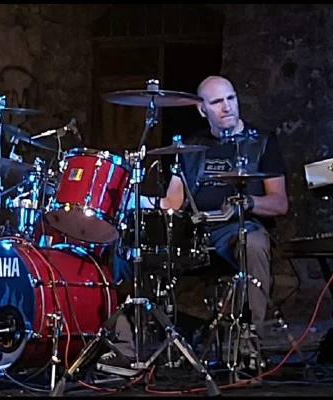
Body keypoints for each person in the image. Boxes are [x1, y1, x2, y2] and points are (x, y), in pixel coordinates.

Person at [97, 75, 288, 372]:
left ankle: (249, 342)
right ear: (202, 109)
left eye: (231, 98)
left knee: (253, 244)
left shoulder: (262, 142)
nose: (227, 107)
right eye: (217, 102)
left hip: (236, 229)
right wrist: (133, 201)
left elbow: (279, 203)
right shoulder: (191, 146)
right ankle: (125, 348)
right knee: (125, 248)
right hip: (193, 231)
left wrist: (248, 203)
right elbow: (172, 203)